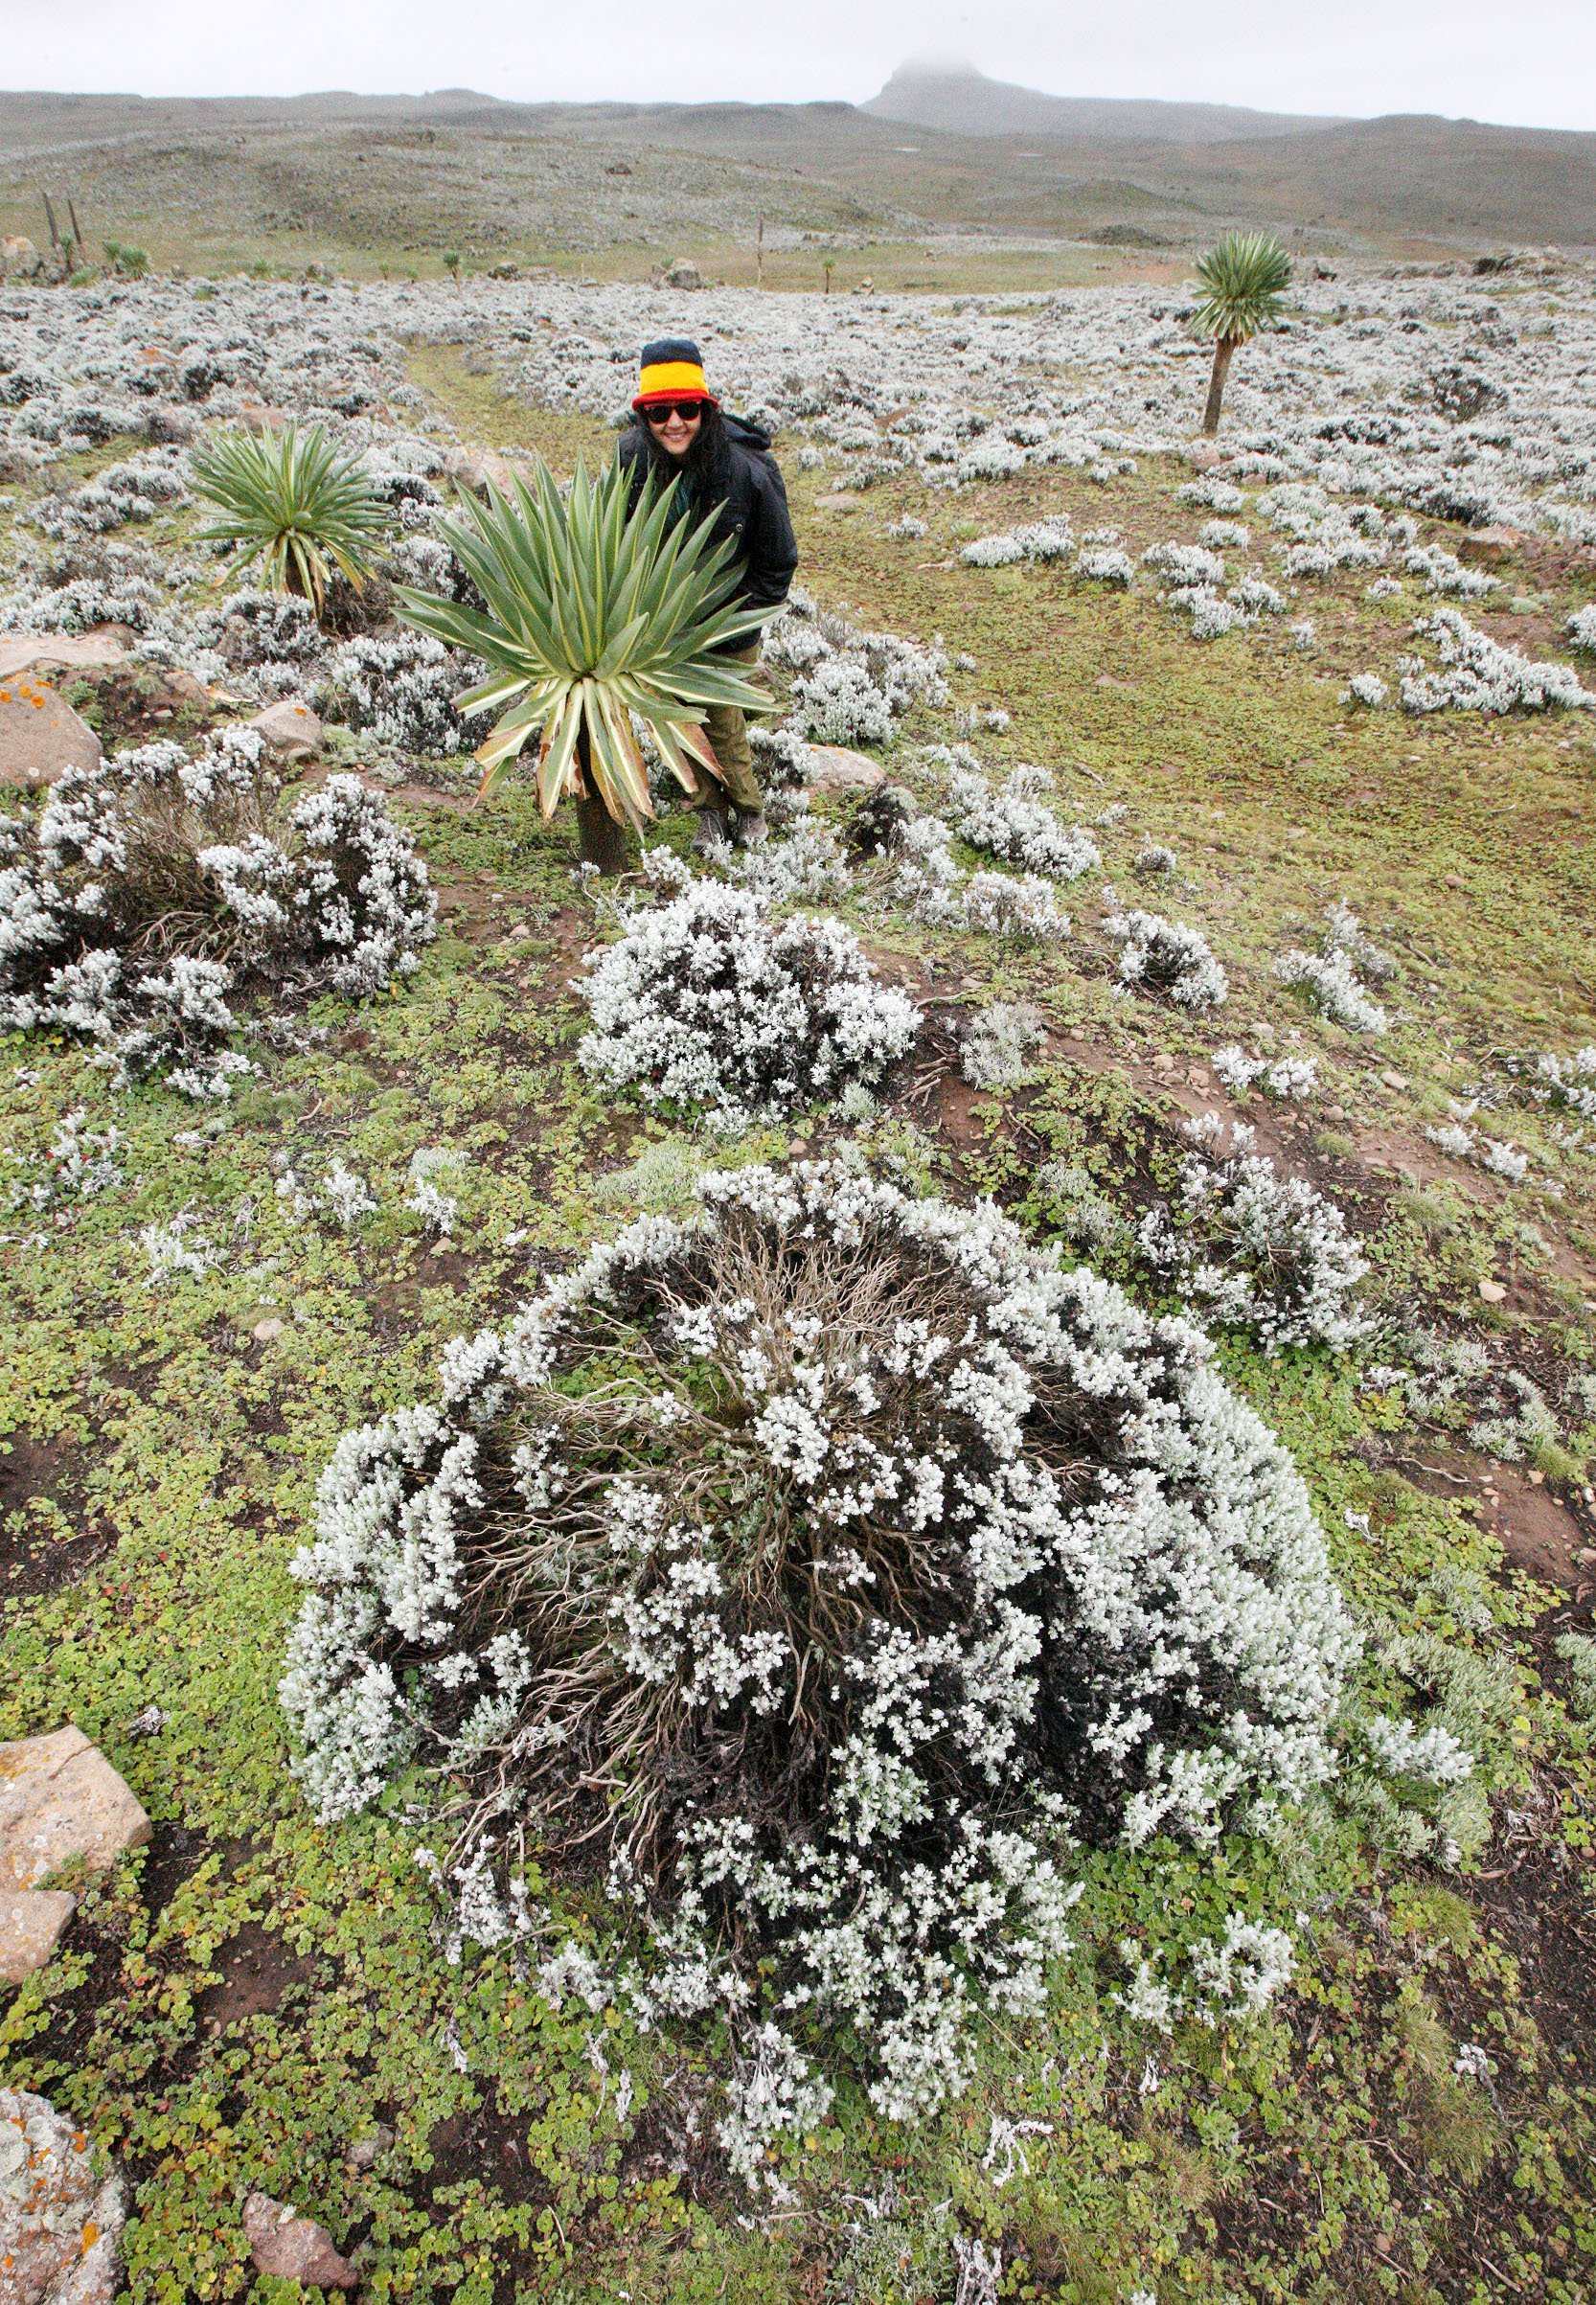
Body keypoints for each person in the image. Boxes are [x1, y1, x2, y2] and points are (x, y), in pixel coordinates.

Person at [617, 336, 797, 851]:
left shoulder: (746, 470)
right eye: (658, 412)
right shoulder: (633, 458)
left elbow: (778, 559)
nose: (674, 423)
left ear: (706, 408)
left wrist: (740, 620)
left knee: (720, 716)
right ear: (643, 417)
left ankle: (748, 811)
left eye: (687, 409)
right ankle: (711, 810)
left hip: (731, 616)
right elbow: (621, 534)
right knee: (680, 715)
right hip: (663, 621)